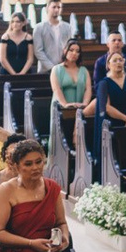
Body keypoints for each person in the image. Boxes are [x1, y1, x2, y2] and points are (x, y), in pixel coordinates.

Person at [0, 139, 67, 252]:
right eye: (28, 164)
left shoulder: (52, 188)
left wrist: (65, 238)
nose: (35, 167)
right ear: (16, 166)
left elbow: (61, 222)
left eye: (39, 162)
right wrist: (30, 243)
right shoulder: (6, 190)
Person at [50, 39, 92, 188]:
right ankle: (59, 173)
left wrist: (85, 104)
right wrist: (65, 105)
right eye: (71, 50)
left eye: (77, 51)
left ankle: (79, 173)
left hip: (80, 109)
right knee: (63, 139)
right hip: (61, 108)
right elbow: (57, 89)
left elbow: (88, 89)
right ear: (65, 51)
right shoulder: (57, 69)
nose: (74, 53)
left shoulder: (83, 70)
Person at [95, 52, 126, 182]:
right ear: (108, 65)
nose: (118, 63)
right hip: (112, 124)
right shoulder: (104, 83)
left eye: (120, 60)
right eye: (114, 60)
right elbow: (107, 107)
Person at [31, 0, 74, 72]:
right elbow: (38, 51)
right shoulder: (39, 28)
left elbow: (69, 47)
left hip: (63, 68)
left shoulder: (67, 27)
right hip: (45, 69)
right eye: (54, 7)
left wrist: (65, 63)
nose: (56, 10)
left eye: (59, 7)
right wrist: (52, 67)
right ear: (47, 8)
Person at [0, 12, 35, 79]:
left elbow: (30, 59)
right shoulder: (5, 37)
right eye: (13, 22)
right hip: (7, 72)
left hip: (25, 72)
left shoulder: (28, 38)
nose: (15, 24)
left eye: (18, 22)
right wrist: (13, 74)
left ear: (23, 23)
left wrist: (22, 73)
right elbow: (2, 58)